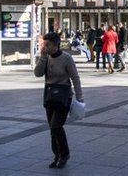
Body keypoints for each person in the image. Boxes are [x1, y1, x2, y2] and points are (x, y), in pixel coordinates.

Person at [34, 32, 83, 169]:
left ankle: (64, 154)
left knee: (56, 126)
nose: (45, 47)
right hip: (49, 95)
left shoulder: (66, 58)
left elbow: (75, 77)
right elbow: (37, 73)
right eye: (44, 44)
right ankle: (57, 155)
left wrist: (80, 97)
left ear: (56, 45)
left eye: (47, 45)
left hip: (64, 96)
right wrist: (43, 58)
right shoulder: (46, 57)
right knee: (52, 128)